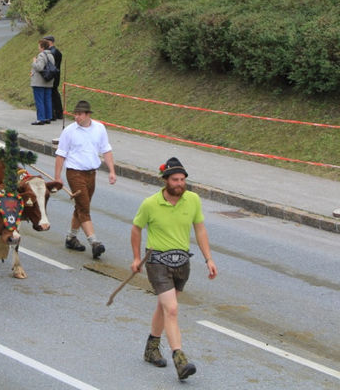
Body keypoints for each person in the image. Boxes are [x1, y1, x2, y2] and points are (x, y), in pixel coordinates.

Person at [130, 157, 217, 381]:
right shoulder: (150, 204)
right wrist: (137, 257)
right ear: (165, 181)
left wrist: (208, 258)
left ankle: (151, 348)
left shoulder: (193, 200)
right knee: (172, 309)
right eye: (175, 180)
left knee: (164, 307)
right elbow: (136, 229)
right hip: (157, 261)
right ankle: (180, 359)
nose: (180, 183)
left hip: (181, 263)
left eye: (182, 180)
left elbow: (200, 230)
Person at [53, 100, 116, 258]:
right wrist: (57, 177)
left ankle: (71, 237)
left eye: (80, 114)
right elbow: (61, 154)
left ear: (88, 115)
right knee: (84, 207)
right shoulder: (69, 131)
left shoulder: (99, 128)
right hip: (75, 173)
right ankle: (94, 242)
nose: (76, 117)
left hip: (91, 173)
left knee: (80, 206)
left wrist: (112, 171)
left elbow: (106, 150)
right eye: (75, 114)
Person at [30, 39, 55, 125]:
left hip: (39, 82)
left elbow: (39, 67)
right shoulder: (51, 55)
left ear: (42, 47)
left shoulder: (41, 55)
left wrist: (34, 62)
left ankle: (41, 119)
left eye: (39, 46)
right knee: (47, 99)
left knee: (39, 100)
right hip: (48, 81)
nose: (38, 48)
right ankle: (48, 117)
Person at [44, 35, 63, 120]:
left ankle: (53, 113)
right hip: (56, 75)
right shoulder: (57, 52)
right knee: (55, 94)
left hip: (51, 76)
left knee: (50, 95)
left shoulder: (51, 53)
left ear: (50, 42)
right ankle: (59, 113)